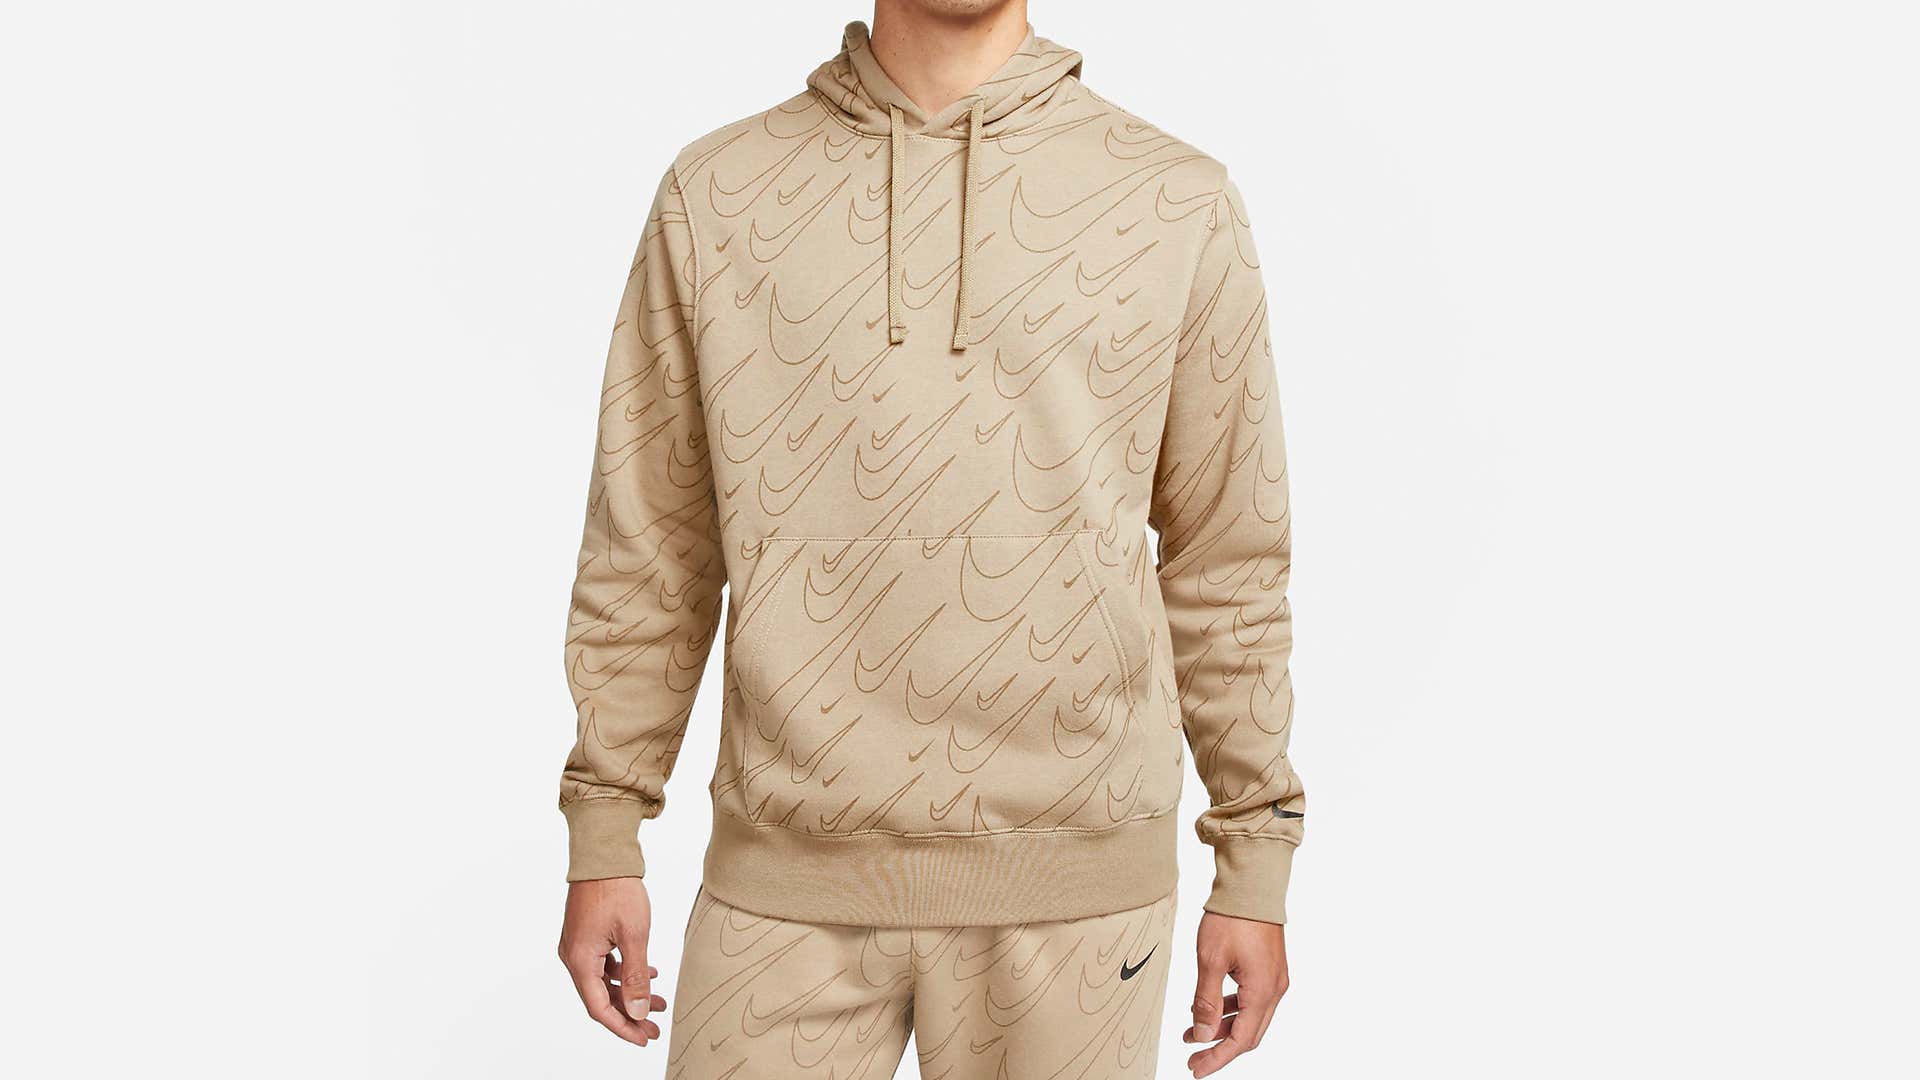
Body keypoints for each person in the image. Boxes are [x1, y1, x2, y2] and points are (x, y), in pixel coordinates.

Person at [554, 2, 1305, 1076]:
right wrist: (605, 831)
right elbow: (651, 547)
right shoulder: (718, 193)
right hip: (784, 880)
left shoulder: (1174, 200)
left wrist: (1255, 858)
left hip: (1077, 893)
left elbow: (1227, 561)